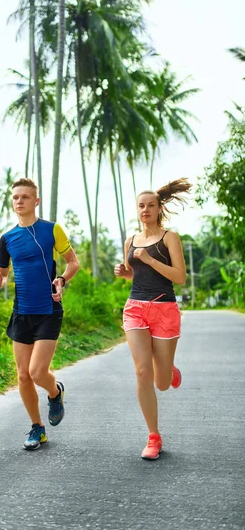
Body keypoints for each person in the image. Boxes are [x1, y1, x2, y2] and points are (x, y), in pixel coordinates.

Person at [0, 178, 79, 450]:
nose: (20, 201)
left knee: (38, 372)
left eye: (25, 197)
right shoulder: (6, 239)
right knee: (23, 376)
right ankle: (37, 428)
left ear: (36, 201)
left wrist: (61, 280)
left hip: (48, 310)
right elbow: (4, 274)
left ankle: (55, 392)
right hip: (22, 311)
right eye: (16, 197)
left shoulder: (51, 230)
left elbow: (73, 263)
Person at [114, 178, 191, 460]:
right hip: (135, 308)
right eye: (141, 206)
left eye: (150, 205)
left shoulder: (169, 238)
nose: (145, 209)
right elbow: (136, 275)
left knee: (160, 382)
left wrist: (149, 260)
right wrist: (126, 273)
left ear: (159, 209)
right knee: (143, 372)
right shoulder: (131, 241)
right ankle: (153, 436)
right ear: (137, 210)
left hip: (165, 309)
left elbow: (180, 278)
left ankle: (168, 370)